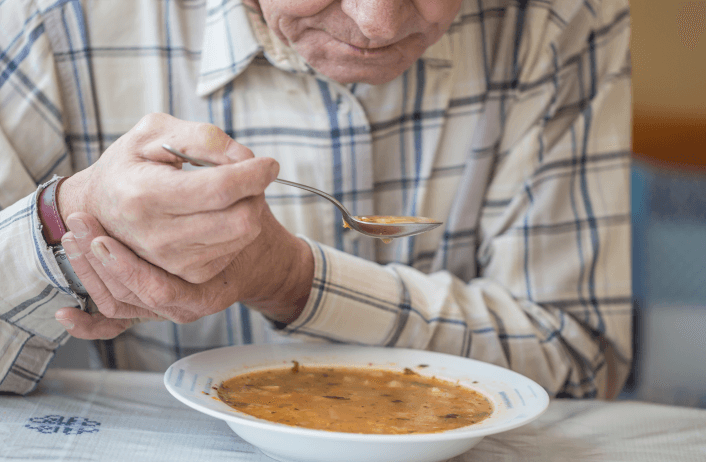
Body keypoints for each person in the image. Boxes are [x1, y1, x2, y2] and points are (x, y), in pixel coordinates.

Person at [0, 0, 632, 398]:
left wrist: (292, 278)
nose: (377, 22)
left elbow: (581, 360)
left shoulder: (561, 20)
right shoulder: (45, 21)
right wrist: (61, 221)